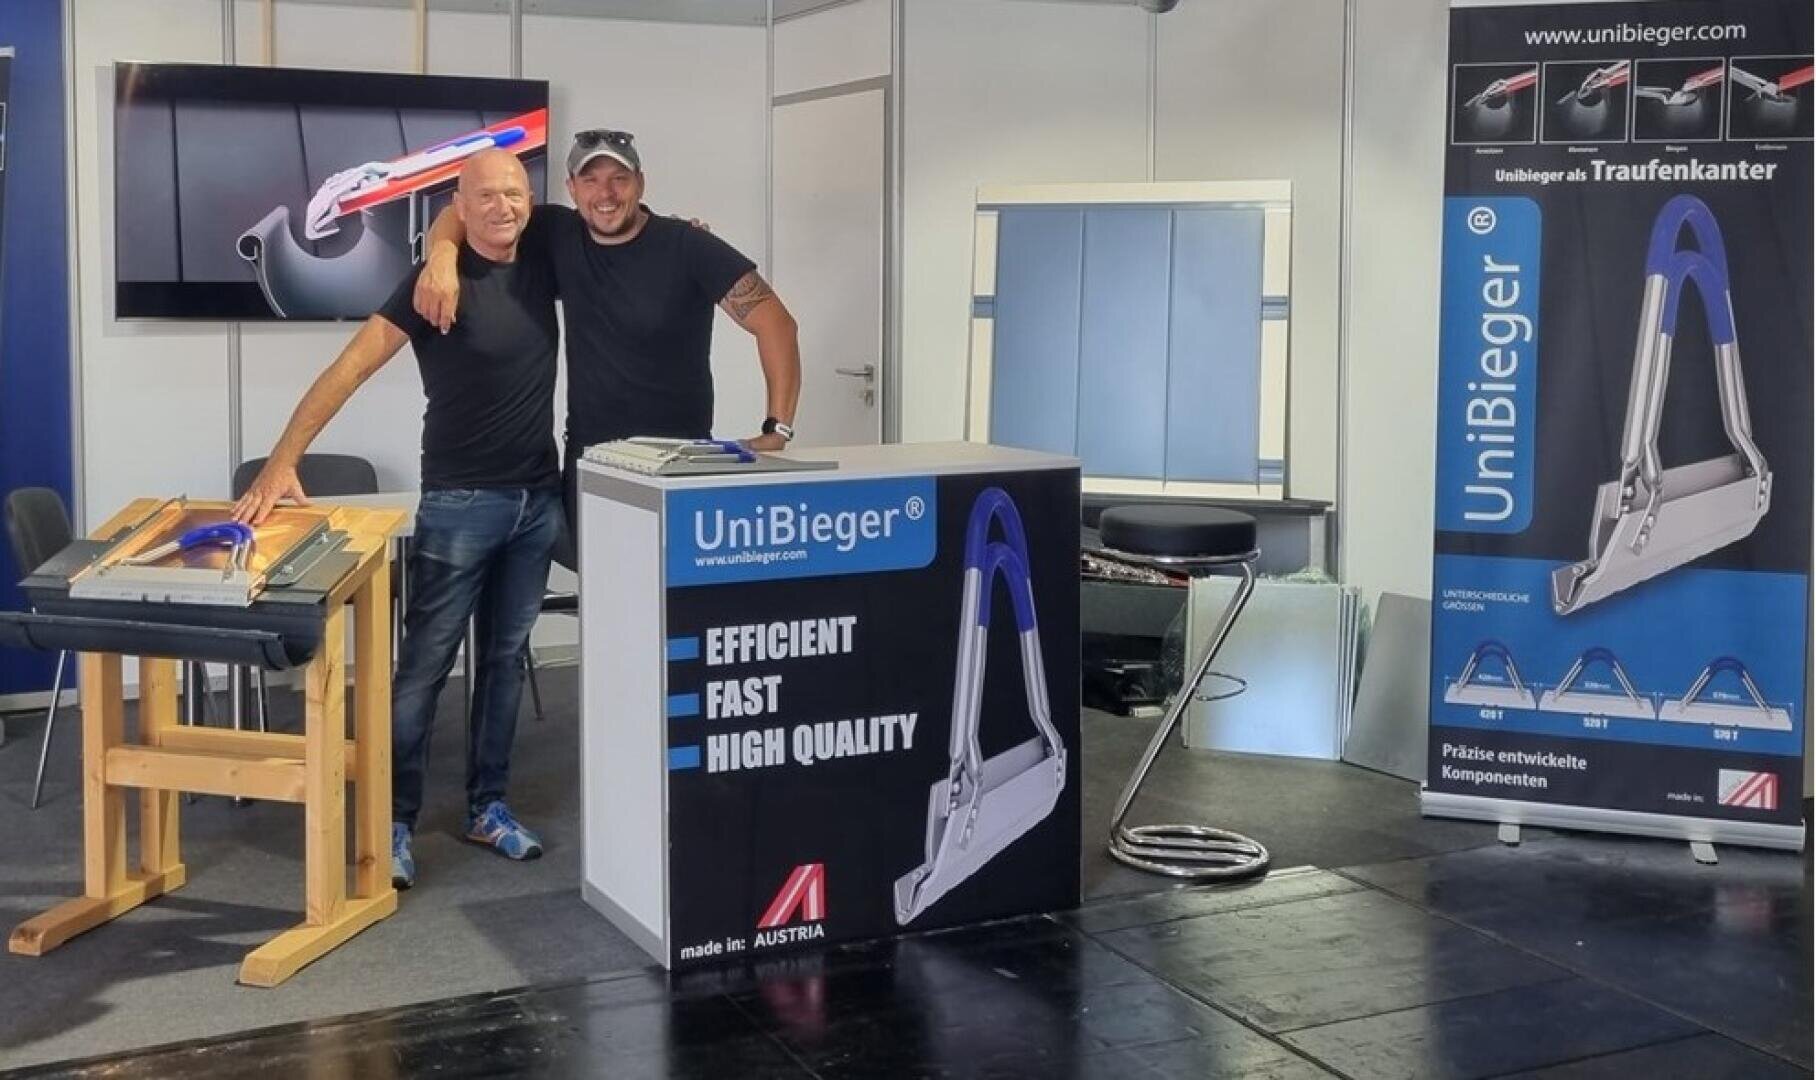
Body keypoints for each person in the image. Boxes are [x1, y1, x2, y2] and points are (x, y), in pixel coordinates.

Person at [233, 148, 560, 891]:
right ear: (459, 203)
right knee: (422, 672)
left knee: (505, 664)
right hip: (459, 505)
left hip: (537, 502)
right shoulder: (429, 285)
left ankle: (489, 807)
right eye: (486, 197)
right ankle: (393, 820)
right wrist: (284, 459)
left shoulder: (542, 256)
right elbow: (348, 368)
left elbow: (620, 244)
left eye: (514, 193)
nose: (503, 207)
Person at [413, 128, 803, 529]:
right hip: (592, 469)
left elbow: (777, 324)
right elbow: (456, 212)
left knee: (673, 591)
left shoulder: (687, 245)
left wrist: (778, 426)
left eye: (619, 179)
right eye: (591, 180)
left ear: (640, 183)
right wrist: (442, 255)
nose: (606, 193)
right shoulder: (556, 233)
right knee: (602, 589)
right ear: (571, 188)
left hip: (678, 469)